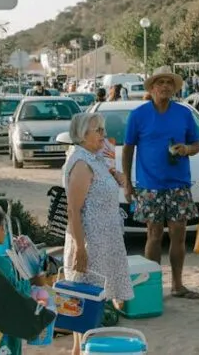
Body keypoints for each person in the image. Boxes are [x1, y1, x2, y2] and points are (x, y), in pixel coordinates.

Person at [123, 68, 199, 300]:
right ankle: (152, 286)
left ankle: (178, 285)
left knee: (178, 235)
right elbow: (128, 149)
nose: (166, 86)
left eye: (169, 82)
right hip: (149, 185)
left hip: (178, 184)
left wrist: (187, 149)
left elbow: (196, 144)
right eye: (161, 82)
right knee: (154, 235)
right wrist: (128, 182)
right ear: (152, 88)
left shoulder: (183, 114)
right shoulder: (138, 115)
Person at [63, 112, 134, 355]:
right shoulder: (81, 163)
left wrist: (118, 177)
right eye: (98, 131)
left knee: (91, 300)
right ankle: (81, 349)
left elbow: (104, 183)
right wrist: (80, 249)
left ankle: (80, 349)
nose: (104, 135)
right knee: (85, 299)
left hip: (104, 239)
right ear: (83, 135)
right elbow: (73, 210)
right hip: (91, 241)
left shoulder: (95, 158)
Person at [0, 201, 54, 355]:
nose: (4, 231)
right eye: (2, 227)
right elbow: (14, 294)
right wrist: (34, 282)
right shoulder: (0, 263)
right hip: (0, 333)